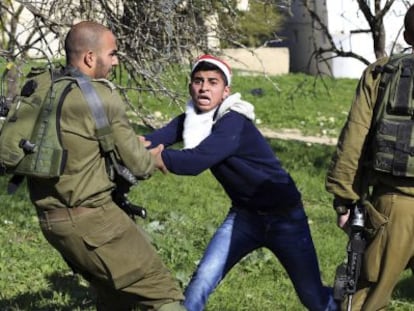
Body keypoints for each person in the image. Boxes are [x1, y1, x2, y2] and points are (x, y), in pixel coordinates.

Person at [143, 54, 337, 311]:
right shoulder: (190, 120)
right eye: (198, 81)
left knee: (313, 297)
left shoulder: (234, 121)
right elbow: (151, 140)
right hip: (244, 218)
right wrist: (126, 144)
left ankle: (349, 302)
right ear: (190, 86)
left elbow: (196, 161)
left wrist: (158, 157)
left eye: (213, 82)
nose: (204, 87)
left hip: (285, 219)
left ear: (225, 91)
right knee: (201, 281)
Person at [26, 21, 186, 311]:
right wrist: (153, 156)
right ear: (90, 57)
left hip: (52, 220)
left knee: (114, 296)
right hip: (93, 220)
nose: (115, 61)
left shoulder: (46, 87)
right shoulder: (101, 96)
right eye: (112, 54)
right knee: (162, 293)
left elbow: (75, 143)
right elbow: (138, 164)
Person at [326, 5, 414, 310]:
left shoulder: (381, 72)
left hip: (393, 206)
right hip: (393, 205)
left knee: (365, 298)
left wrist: (344, 200)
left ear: (407, 34)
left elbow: (355, 137)